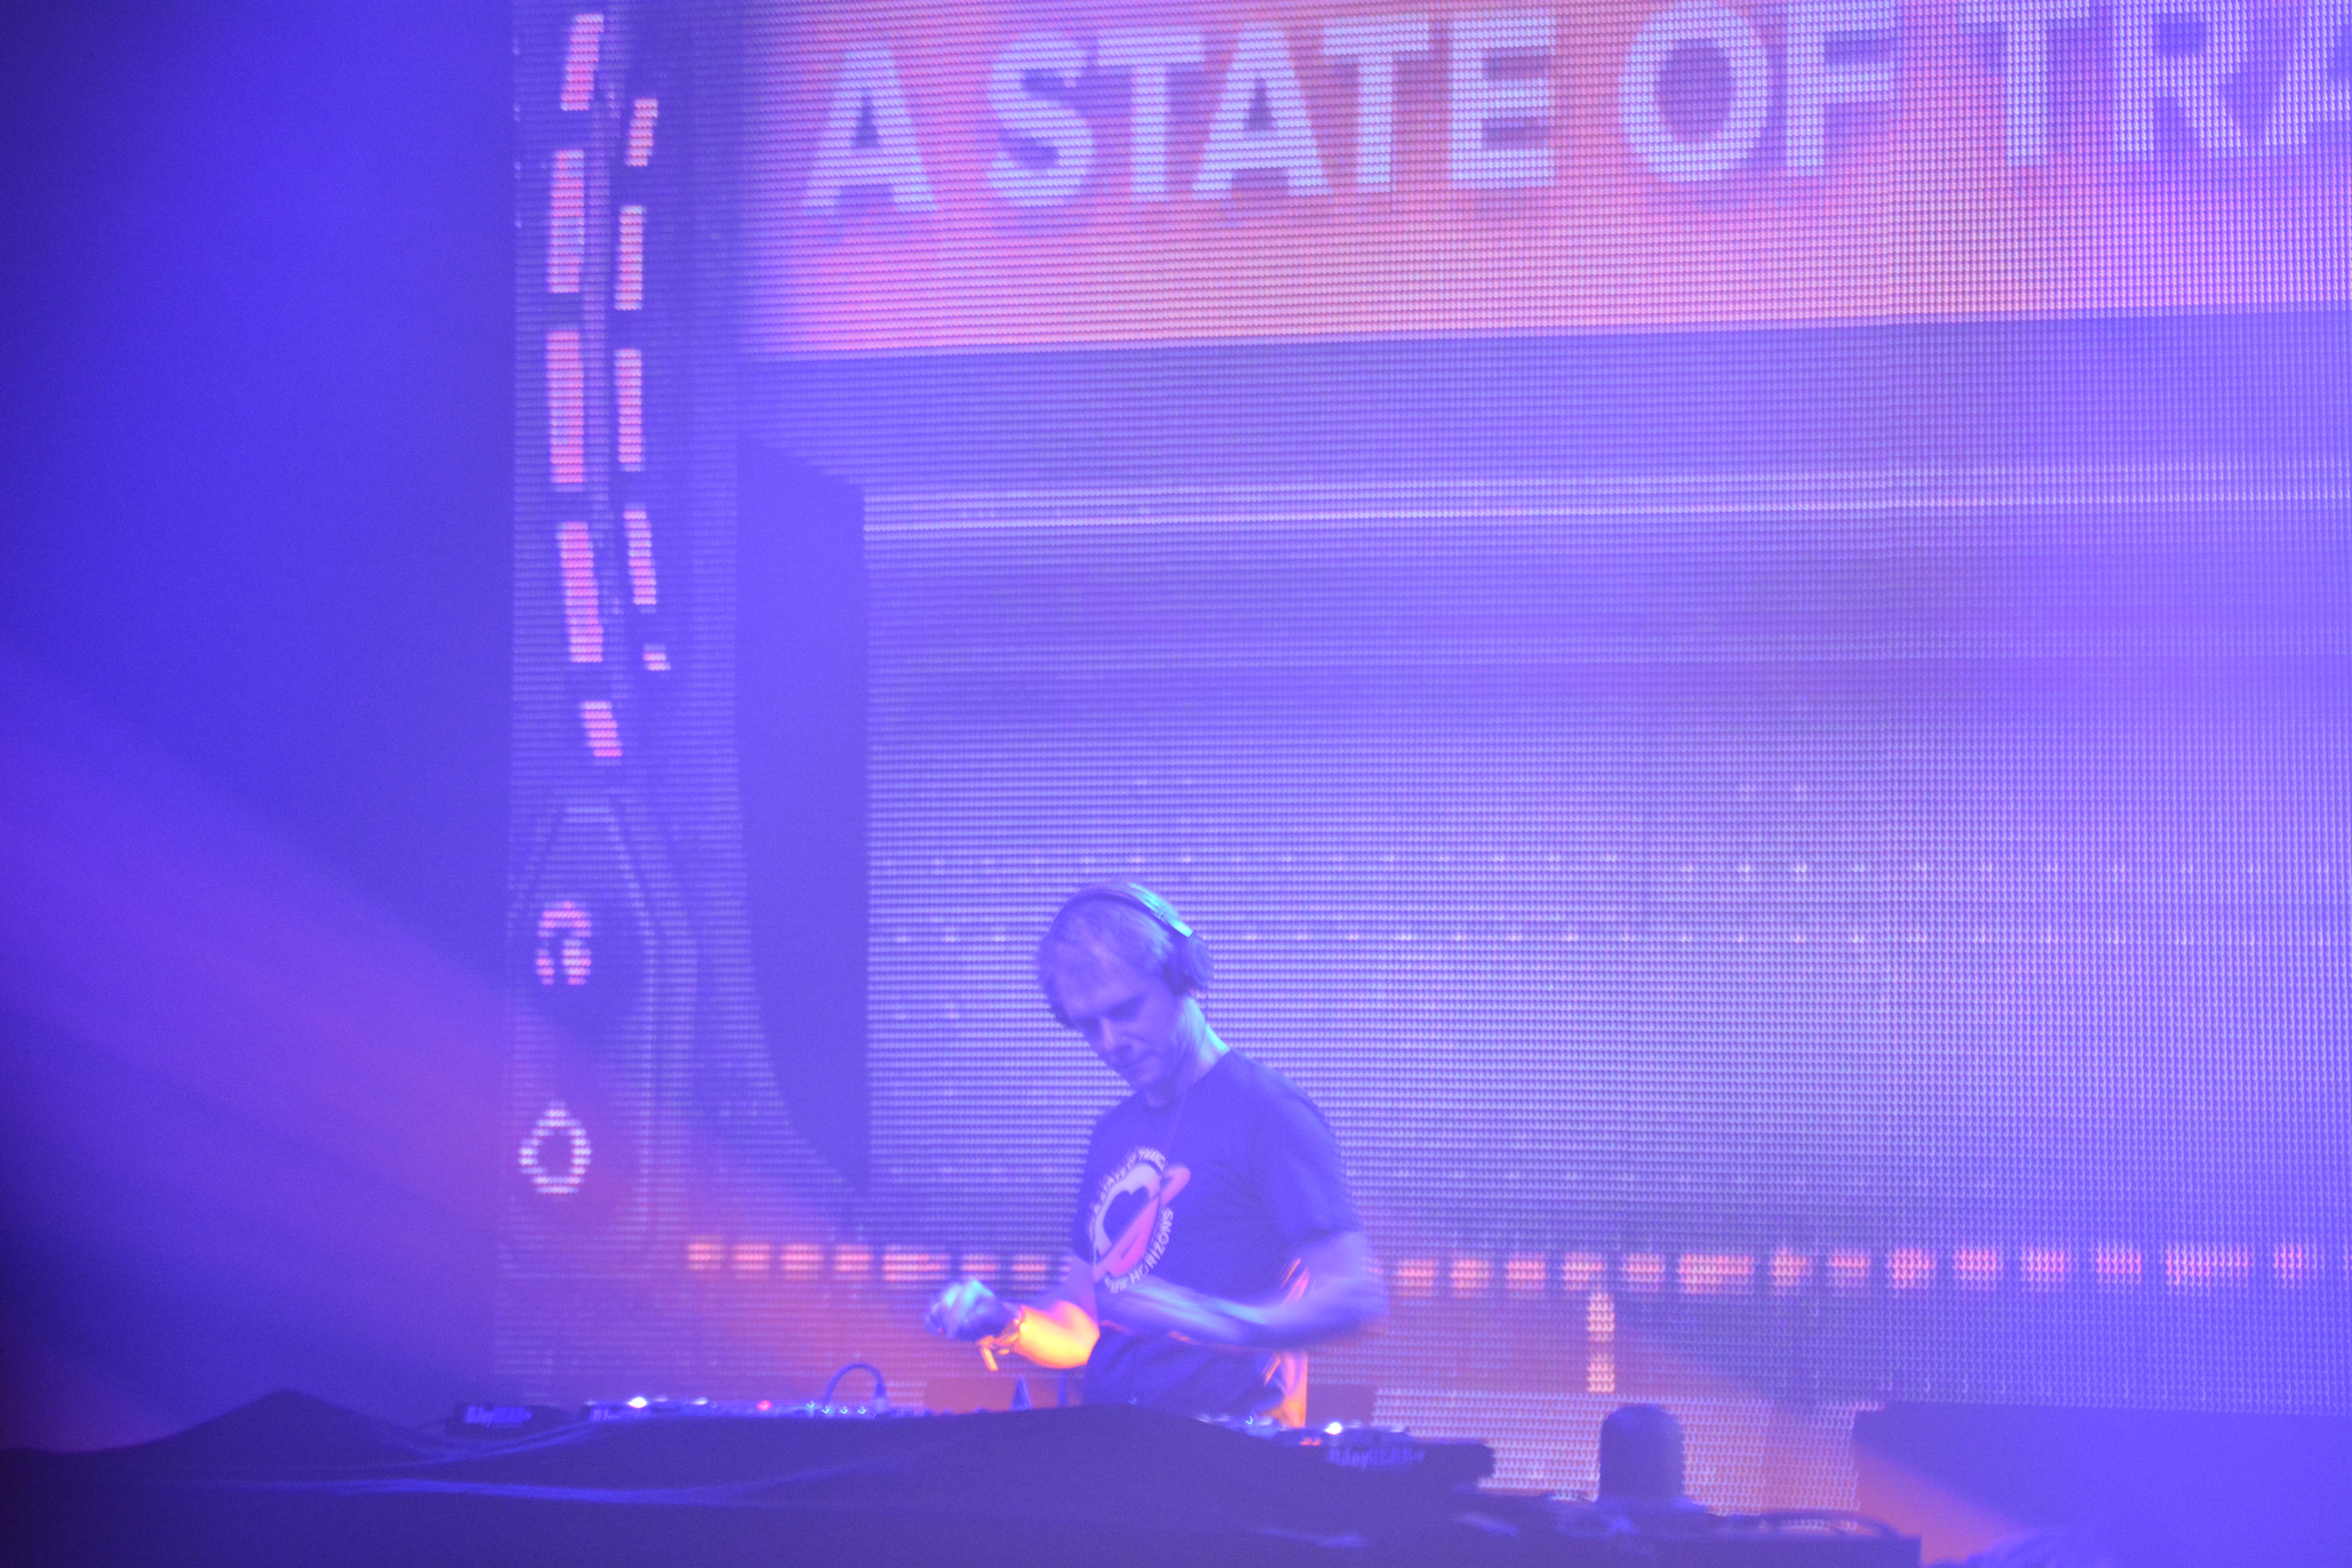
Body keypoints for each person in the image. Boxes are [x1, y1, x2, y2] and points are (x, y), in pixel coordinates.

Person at [923, 884, 1385, 1425]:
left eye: (1125, 1011)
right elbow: (1081, 1325)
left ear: (1183, 977)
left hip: (1232, 1453)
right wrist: (1007, 1321)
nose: (1109, 1042)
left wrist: (1208, 1320)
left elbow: (1354, 1295)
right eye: (1088, 1025)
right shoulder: (1111, 1134)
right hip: (1115, 1449)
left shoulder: (1268, 1113)